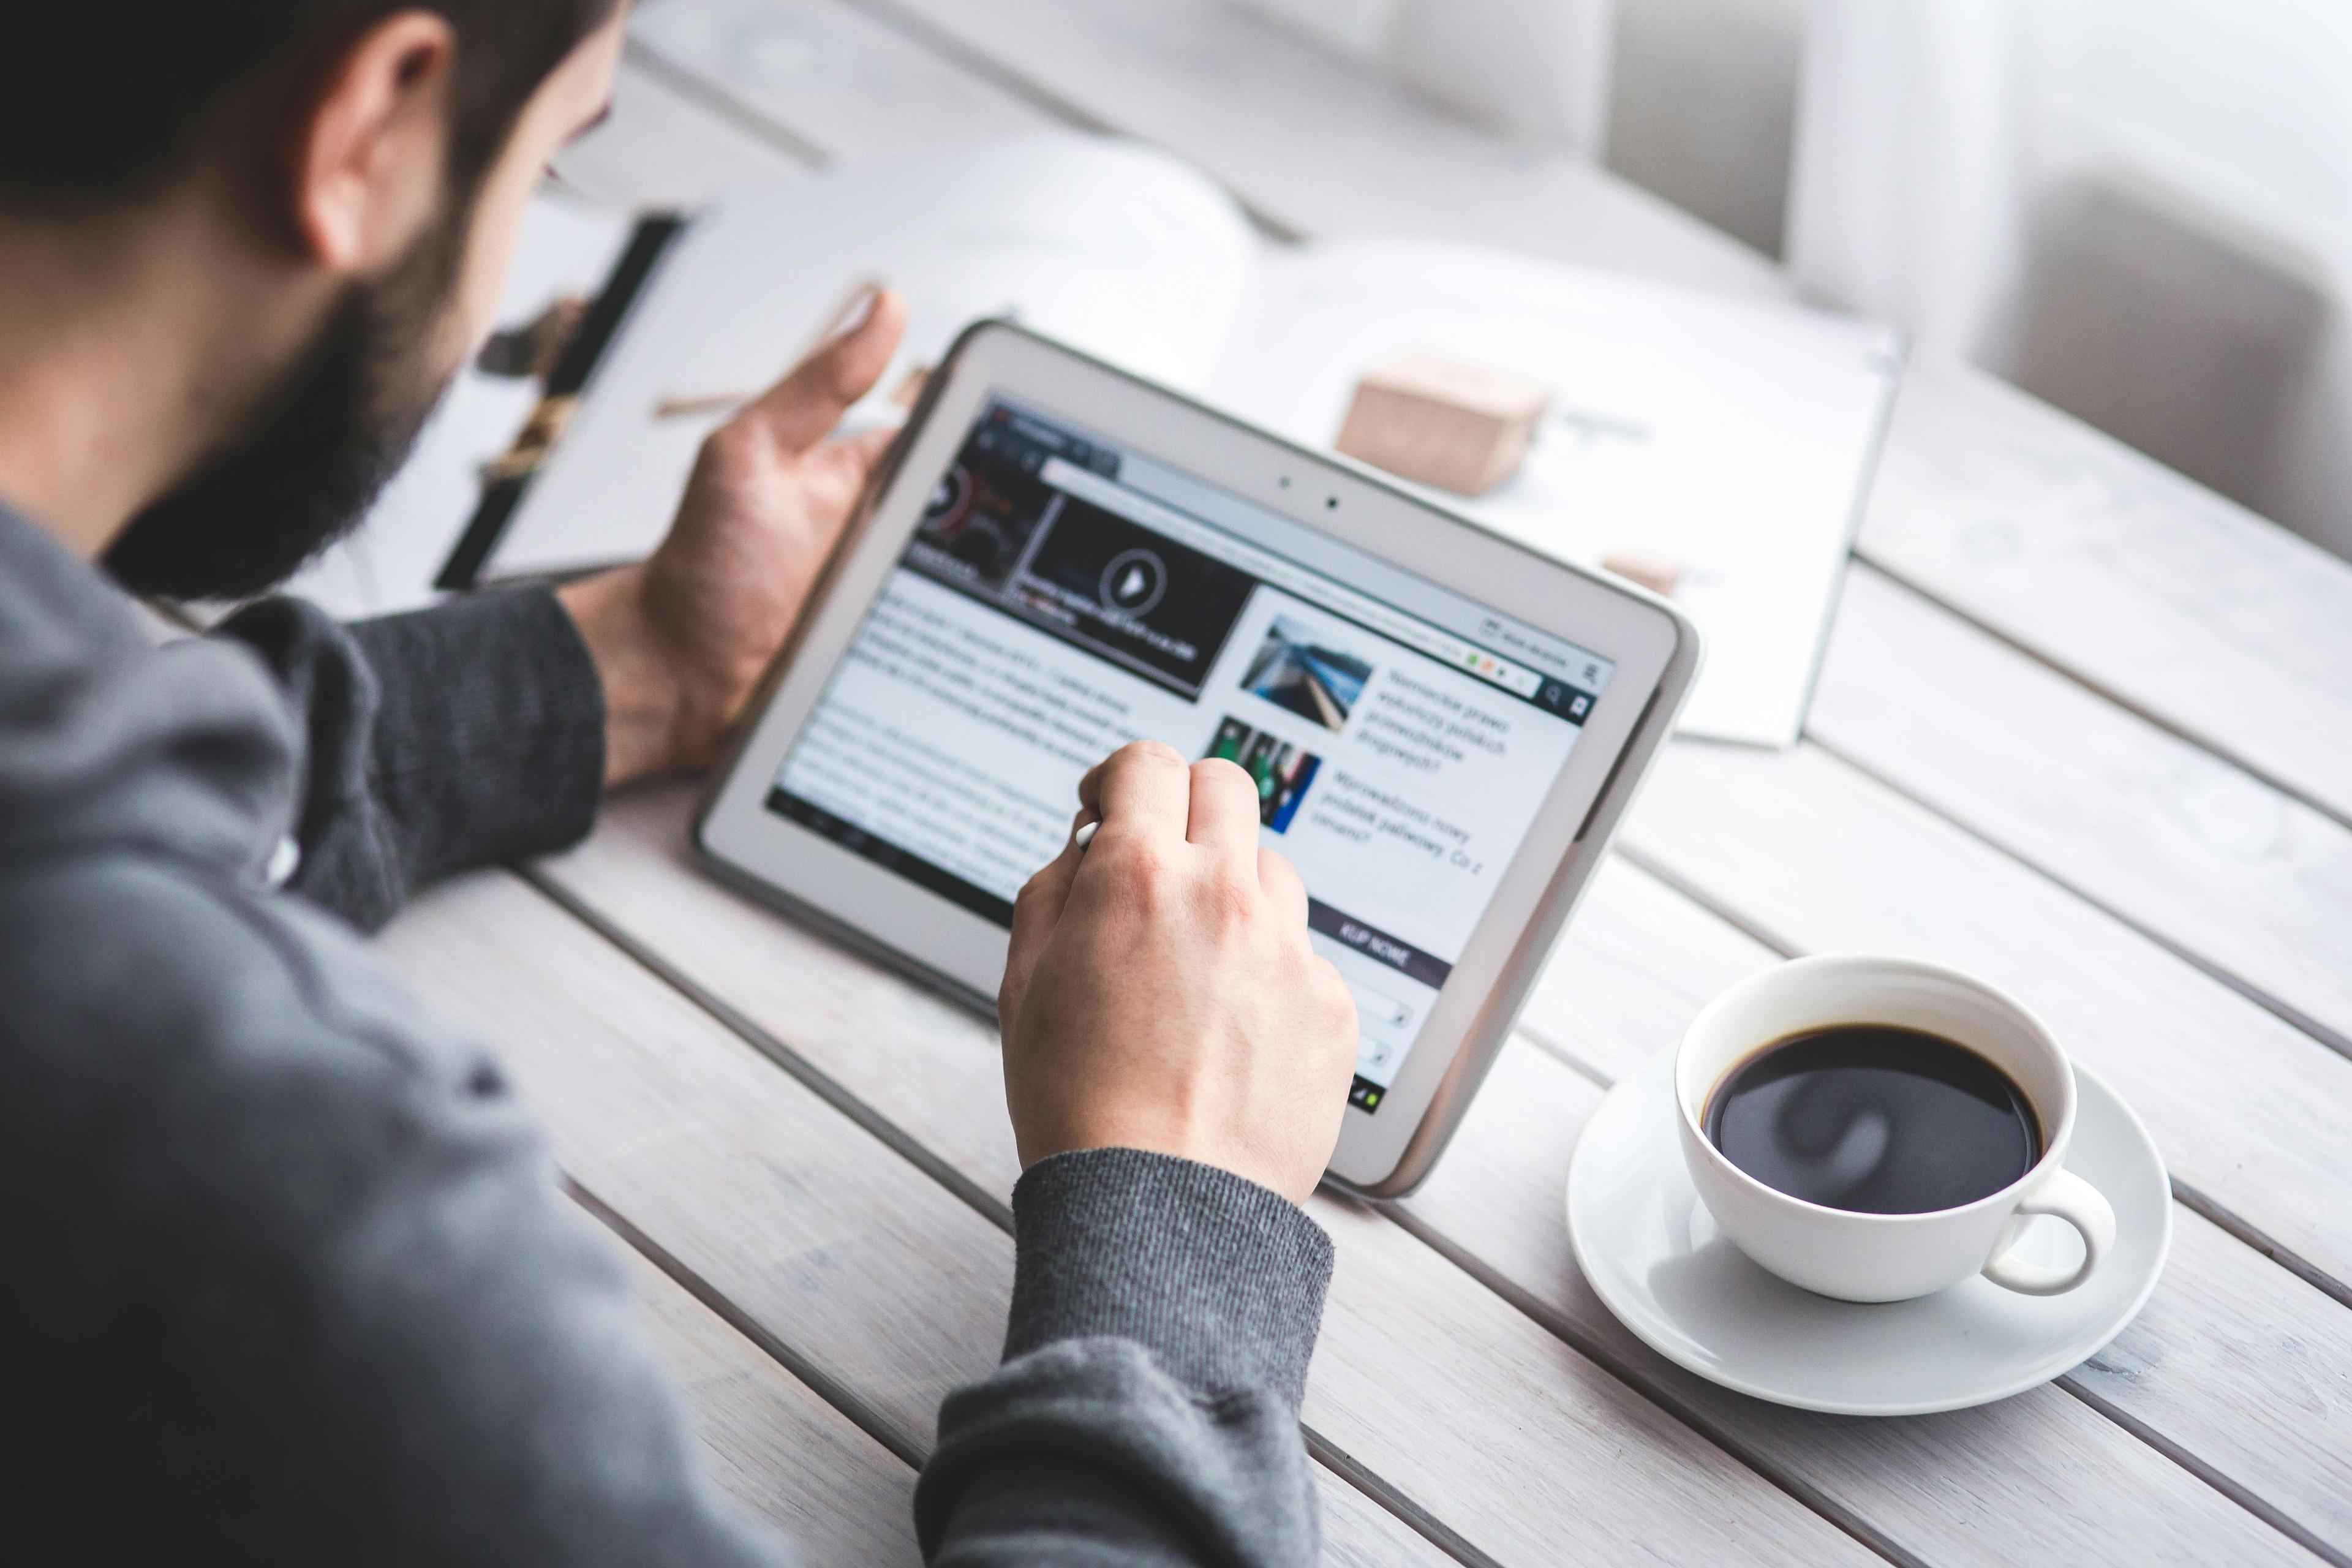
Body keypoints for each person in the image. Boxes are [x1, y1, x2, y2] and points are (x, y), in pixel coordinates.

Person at [0, 2, 1360, 1564]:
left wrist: (633, 661)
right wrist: (1174, 1201)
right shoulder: (280, 1192)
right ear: (374, 123)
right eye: (548, 159)